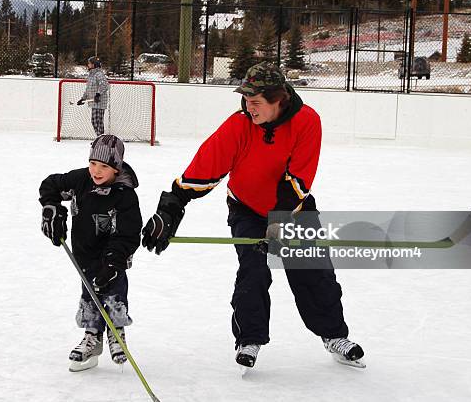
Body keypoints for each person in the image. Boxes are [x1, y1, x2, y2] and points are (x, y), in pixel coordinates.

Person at [141, 62, 364, 369]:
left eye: (256, 102)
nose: (249, 107)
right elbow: (205, 167)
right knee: (254, 269)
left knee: (313, 271)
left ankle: (334, 335)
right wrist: (170, 208)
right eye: (246, 100)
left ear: (279, 100)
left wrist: (277, 224)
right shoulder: (239, 125)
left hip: (293, 209)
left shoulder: (307, 121)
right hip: (246, 208)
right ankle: (250, 338)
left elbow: (298, 180)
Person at [39, 134, 142, 372]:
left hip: (112, 257)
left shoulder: (124, 194)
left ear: (116, 168)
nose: (96, 170)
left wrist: (112, 262)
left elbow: (128, 234)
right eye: (93, 163)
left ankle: (116, 332)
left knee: (113, 292)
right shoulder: (81, 180)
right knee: (89, 296)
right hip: (84, 253)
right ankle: (92, 337)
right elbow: (50, 185)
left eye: (104, 166)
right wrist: (52, 208)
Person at [77, 56, 109, 137]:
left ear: (94, 65)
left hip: (99, 101)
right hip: (94, 101)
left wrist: (98, 94)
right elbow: (88, 89)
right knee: (94, 121)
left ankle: (101, 139)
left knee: (98, 121)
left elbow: (104, 85)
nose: (88, 65)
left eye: (89, 63)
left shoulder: (99, 74)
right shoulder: (91, 75)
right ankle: (99, 138)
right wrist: (83, 98)